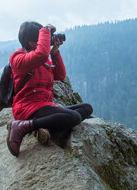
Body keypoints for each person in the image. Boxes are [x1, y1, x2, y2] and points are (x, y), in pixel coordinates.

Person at [6, 21, 93, 157]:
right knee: (74, 117)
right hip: (27, 108)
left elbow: (60, 75)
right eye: (41, 38)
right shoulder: (18, 59)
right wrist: (46, 30)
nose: (45, 41)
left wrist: (55, 52)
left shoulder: (42, 59)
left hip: (44, 106)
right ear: (31, 42)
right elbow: (40, 55)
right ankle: (22, 126)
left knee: (87, 108)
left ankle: (46, 127)